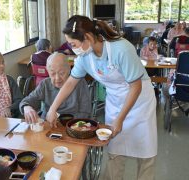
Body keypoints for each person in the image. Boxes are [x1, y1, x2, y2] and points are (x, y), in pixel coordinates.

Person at [46, 15, 157, 180]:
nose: (71, 48)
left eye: (73, 44)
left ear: (88, 38)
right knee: (115, 152)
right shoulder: (84, 57)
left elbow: (136, 86)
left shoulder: (121, 49)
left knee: (145, 153)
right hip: (115, 102)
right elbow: (70, 83)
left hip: (139, 103)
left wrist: (120, 119)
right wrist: (52, 108)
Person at [19, 52, 91, 123]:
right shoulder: (45, 84)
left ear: (69, 69)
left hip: (73, 125)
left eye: (61, 73)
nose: (57, 78)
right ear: (48, 72)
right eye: (53, 74)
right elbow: (25, 101)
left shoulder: (80, 83)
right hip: (48, 125)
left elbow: (85, 112)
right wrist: (27, 108)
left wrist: (63, 122)